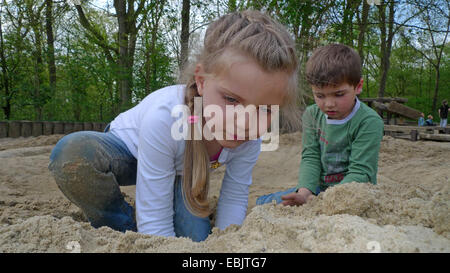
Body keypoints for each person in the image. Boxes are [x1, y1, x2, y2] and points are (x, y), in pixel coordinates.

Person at [48, 10, 300, 242]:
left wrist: (225, 243)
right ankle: (121, 225)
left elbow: (234, 196)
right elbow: (155, 223)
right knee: (74, 154)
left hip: (183, 172)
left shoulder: (250, 136)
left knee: (195, 238)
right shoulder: (165, 117)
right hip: (128, 154)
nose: (245, 121)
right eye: (231, 100)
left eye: (265, 109)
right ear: (201, 81)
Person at [256, 43, 384, 206]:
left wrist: (324, 201)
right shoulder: (312, 114)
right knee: (266, 203)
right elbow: (311, 157)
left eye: (339, 94)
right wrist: (304, 193)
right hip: (318, 189)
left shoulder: (369, 121)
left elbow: (361, 171)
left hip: (355, 192)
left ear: (358, 86)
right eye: (320, 95)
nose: (329, 104)